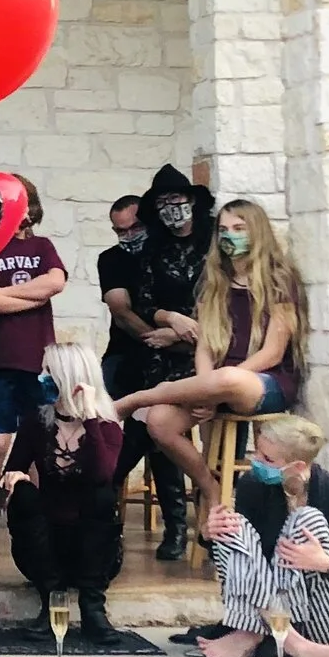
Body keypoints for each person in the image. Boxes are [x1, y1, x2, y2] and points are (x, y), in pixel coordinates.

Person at [113, 198, 300, 534]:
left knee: (227, 378)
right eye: (224, 229)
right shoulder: (214, 280)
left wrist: (218, 386)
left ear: (257, 231)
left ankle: (140, 397)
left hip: (264, 381)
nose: (231, 236)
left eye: (240, 229)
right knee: (160, 422)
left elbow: (273, 352)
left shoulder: (280, 279)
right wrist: (205, 386)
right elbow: (206, 345)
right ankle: (211, 489)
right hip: (217, 382)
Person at [196, 416, 329, 657]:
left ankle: (264, 636)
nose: (256, 461)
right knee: (233, 527)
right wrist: (209, 534)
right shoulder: (252, 486)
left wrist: (326, 564)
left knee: (307, 518)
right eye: (257, 452)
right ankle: (291, 642)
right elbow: (238, 562)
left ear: (298, 465)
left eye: (267, 459)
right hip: (268, 613)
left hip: (323, 619)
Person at [0, 341, 127, 643]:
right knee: (23, 494)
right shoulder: (37, 422)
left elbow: (102, 475)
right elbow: (13, 467)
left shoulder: (107, 427)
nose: (41, 376)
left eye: (48, 371)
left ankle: (93, 608)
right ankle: (51, 602)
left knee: (102, 495)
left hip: (94, 553)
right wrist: (14, 477)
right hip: (46, 549)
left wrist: (90, 417)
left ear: (70, 380)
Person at [98, 193, 189, 562]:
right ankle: (105, 523)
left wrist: (177, 341)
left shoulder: (170, 254)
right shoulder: (113, 259)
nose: (129, 235)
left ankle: (178, 526)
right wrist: (156, 338)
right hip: (127, 358)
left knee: (159, 436)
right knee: (109, 435)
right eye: (120, 230)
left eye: (134, 227)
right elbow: (121, 311)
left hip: (177, 361)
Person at [0, 175, 67, 498]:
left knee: (41, 435)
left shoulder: (42, 246)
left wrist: (3, 295)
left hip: (38, 360)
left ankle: (40, 503)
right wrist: (30, 297)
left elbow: (54, 283)